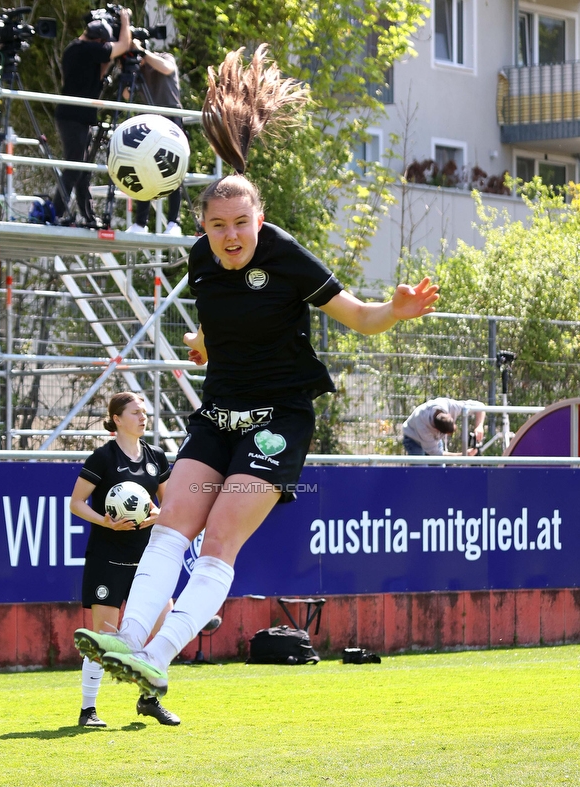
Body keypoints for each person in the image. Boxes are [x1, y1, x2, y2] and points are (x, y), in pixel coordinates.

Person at [73, 45, 439, 696]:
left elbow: (357, 317)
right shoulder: (201, 262)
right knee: (171, 523)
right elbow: (227, 319)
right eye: (218, 226)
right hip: (218, 414)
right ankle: (128, 644)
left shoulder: (287, 256)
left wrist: (397, 309)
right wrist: (205, 345)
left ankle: (156, 655)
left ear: (259, 220)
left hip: (278, 423)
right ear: (204, 228)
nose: (231, 236)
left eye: (241, 223)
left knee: (217, 539)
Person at [69, 391, 180, 727]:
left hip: (147, 559)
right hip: (108, 558)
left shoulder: (156, 457)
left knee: (165, 625)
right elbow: (76, 503)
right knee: (104, 635)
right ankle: (89, 710)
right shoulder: (102, 458)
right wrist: (104, 520)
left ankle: (149, 700)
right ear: (117, 419)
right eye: (135, 412)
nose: (143, 417)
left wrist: (155, 515)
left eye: (144, 412)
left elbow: (172, 505)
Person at [53, 9, 132, 228]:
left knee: (82, 169)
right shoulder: (86, 49)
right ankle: (55, 212)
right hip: (73, 116)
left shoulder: (77, 49)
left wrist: (109, 52)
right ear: (98, 40)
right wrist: (125, 20)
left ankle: (87, 214)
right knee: (74, 168)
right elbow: (124, 46)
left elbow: (99, 73)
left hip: (78, 116)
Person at [126, 46, 185, 237]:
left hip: (171, 115)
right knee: (143, 168)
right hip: (148, 120)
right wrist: (128, 71)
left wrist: (142, 53)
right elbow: (127, 95)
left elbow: (167, 68)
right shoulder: (137, 69)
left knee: (172, 167)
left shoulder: (162, 56)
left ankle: (173, 222)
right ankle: (140, 223)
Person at [402, 397, 485, 456]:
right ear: (437, 430)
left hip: (432, 440)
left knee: (441, 469)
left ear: (449, 415)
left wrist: (479, 426)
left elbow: (480, 406)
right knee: (421, 472)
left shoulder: (450, 406)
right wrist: (463, 455)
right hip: (413, 438)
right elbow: (437, 454)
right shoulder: (423, 427)